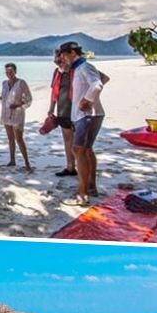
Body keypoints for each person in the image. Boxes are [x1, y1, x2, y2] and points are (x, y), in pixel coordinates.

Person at [59, 41, 107, 206]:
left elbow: (98, 84)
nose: (62, 58)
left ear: (73, 53)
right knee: (86, 150)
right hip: (88, 114)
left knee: (77, 150)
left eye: (64, 55)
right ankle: (91, 186)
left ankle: (82, 193)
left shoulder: (84, 67)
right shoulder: (79, 68)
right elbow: (102, 79)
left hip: (86, 115)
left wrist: (87, 100)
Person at [0, 63, 33, 171]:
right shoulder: (4, 83)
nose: (9, 74)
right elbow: (5, 99)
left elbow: (29, 99)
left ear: (15, 71)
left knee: (19, 139)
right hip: (6, 113)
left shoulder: (21, 83)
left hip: (18, 113)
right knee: (10, 139)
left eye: (11, 71)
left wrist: (18, 105)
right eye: (7, 72)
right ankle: (12, 160)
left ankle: (27, 163)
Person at [48, 49, 77, 177]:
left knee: (78, 142)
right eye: (57, 62)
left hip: (77, 111)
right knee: (67, 141)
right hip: (62, 110)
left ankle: (80, 167)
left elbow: (102, 79)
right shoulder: (57, 73)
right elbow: (54, 93)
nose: (59, 64)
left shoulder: (76, 71)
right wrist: (51, 109)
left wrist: (89, 99)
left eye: (61, 61)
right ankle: (70, 167)